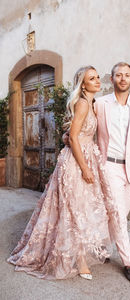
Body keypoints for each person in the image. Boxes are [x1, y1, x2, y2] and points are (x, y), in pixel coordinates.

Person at [7, 65, 121, 281]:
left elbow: (69, 134)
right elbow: (75, 137)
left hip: (86, 156)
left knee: (83, 208)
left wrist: (69, 139)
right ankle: (80, 260)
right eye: (92, 78)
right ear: (83, 84)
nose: (98, 81)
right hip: (77, 162)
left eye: (97, 77)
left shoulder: (91, 103)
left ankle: (83, 252)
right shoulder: (82, 104)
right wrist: (85, 167)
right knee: (73, 209)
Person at [64, 62, 130, 284]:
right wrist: (67, 137)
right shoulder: (100, 104)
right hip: (109, 167)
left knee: (119, 214)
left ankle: (100, 247)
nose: (123, 79)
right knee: (117, 214)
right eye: (119, 75)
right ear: (112, 79)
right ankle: (129, 263)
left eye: (127, 75)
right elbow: (78, 123)